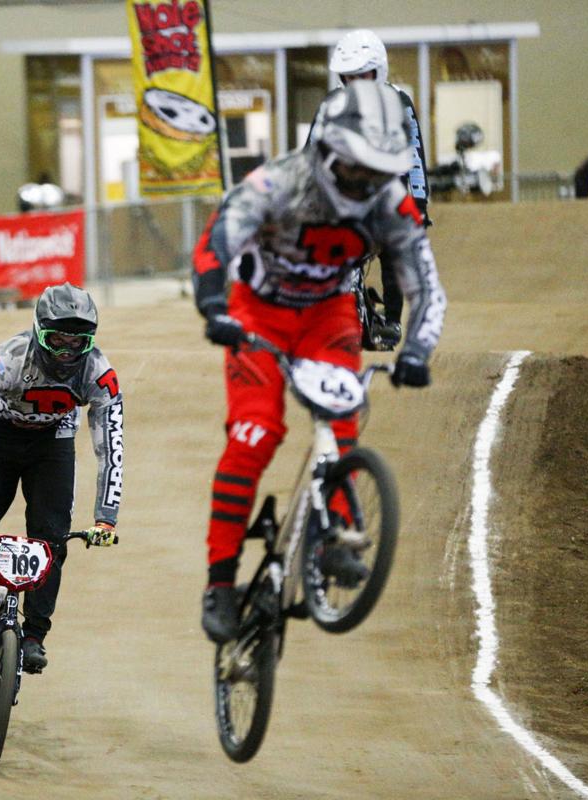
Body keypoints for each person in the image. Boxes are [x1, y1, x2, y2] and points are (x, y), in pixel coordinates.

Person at [193, 81, 447, 643]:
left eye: (378, 171)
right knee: (255, 434)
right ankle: (220, 581)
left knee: (341, 422)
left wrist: (418, 350)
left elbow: (426, 283)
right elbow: (218, 240)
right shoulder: (279, 182)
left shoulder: (388, 202)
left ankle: (334, 535)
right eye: (356, 168)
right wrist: (213, 305)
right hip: (257, 313)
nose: (366, 182)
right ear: (328, 152)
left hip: (329, 315)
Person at [0, 283, 122, 672]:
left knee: (51, 541)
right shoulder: (6, 360)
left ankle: (34, 635)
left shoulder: (100, 374)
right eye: (58, 340)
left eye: (77, 343)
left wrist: (106, 516)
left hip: (53, 449)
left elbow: (111, 446)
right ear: (37, 330)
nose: (67, 352)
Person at [307, 30, 432, 350]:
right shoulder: (330, 105)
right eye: (349, 76)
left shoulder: (399, 103)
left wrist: (418, 203)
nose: (356, 82)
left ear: (379, 71)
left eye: (363, 74)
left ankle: (391, 320)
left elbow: (414, 157)